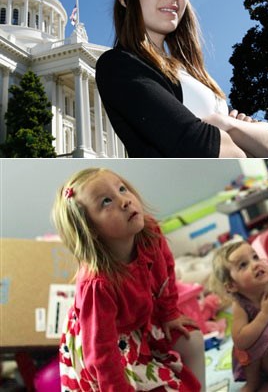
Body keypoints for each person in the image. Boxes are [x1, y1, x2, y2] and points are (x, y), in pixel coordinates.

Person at [96, 0, 268, 159]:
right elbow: (207, 149)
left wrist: (223, 123)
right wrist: (238, 133)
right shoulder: (118, 65)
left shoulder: (194, 74)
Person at [53, 166, 205, 391]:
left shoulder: (150, 234)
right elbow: (101, 355)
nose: (124, 201)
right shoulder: (98, 285)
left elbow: (166, 276)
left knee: (192, 339)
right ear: (91, 229)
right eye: (106, 202)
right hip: (103, 345)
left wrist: (169, 312)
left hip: (140, 320)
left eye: (122, 189)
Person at [211, 240, 268, 392]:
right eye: (243, 265)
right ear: (232, 286)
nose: (255, 264)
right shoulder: (240, 305)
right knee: (247, 342)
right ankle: (253, 383)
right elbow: (240, 341)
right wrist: (265, 314)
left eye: (255, 257)